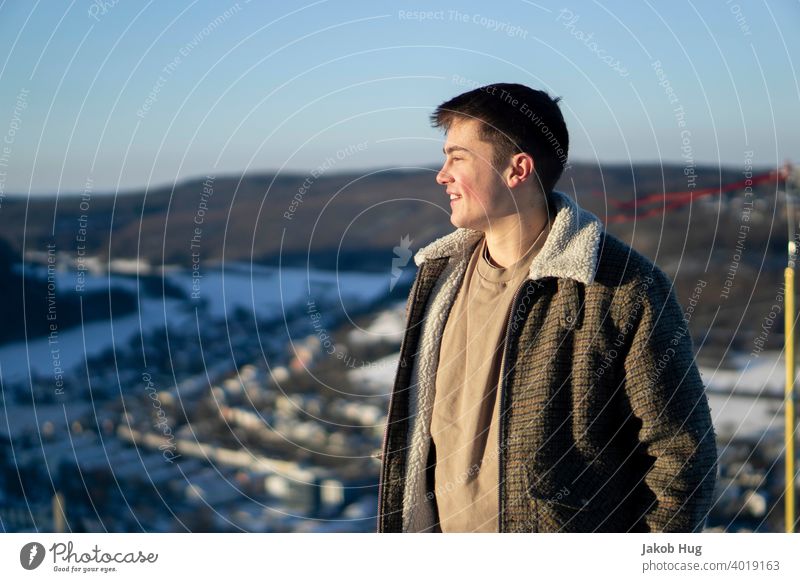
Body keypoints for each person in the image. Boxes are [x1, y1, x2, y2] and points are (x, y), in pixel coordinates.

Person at [376, 83, 717, 533]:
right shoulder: (437, 279)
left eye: (457, 157)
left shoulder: (620, 288)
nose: (441, 175)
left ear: (517, 169)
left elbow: (684, 457)